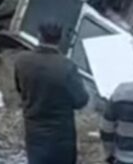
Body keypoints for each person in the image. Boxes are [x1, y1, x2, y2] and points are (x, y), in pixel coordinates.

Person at [14, 22, 90, 164]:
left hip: (34, 131)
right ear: (60, 39)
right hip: (61, 136)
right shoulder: (67, 66)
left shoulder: (22, 61)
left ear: (39, 35)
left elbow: (20, 89)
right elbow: (81, 100)